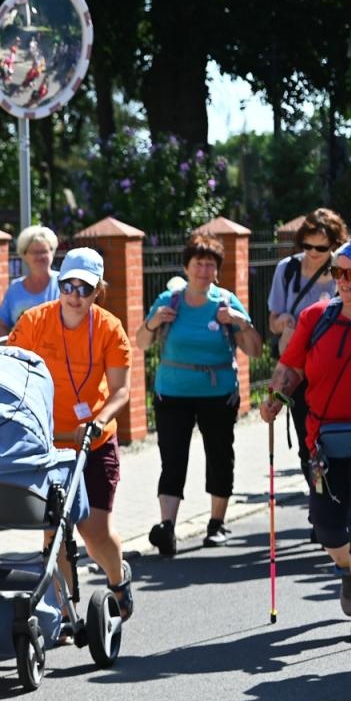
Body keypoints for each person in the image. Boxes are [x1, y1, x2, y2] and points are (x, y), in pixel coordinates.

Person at [262, 234, 351, 642]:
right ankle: (346, 568)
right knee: (327, 527)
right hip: (323, 441)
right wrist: (275, 397)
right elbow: (292, 368)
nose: (343, 280)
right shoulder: (317, 317)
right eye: (338, 272)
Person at [6, 247, 136, 620]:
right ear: (59, 285)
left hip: (92, 442)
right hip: (48, 443)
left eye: (85, 288)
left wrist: (98, 420)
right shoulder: (34, 321)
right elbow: (13, 371)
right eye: (68, 286)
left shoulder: (110, 328)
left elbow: (121, 391)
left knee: (94, 533)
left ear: (98, 292)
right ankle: (65, 612)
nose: (75, 296)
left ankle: (117, 575)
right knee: (54, 532)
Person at [135, 233, 264, 555]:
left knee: (220, 455)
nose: (204, 271)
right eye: (198, 264)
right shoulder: (170, 301)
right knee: (172, 458)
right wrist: (152, 323)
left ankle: (216, 524)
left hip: (217, 394)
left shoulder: (225, 302)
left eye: (210, 265)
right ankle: (167, 528)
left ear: (217, 270)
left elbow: (256, 351)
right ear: (186, 266)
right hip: (172, 392)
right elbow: (141, 342)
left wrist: (240, 323)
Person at [267, 208, 346, 484]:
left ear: (335, 244)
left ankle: (336, 500)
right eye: (307, 245)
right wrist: (284, 323)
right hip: (297, 368)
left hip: (335, 370)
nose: (312, 252)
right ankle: (319, 501)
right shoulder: (287, 270)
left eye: (321, 247)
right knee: (306, 441)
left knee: (337, 436)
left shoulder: (344, 273)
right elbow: (272, 320)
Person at [0, 225, 60, 338]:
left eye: (44, 251)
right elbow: (0, 327)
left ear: (52, 252)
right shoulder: (15, 289)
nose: (40, 256)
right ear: (24, 255)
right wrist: (12, 346)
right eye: (35, 252)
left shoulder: (64, 283)